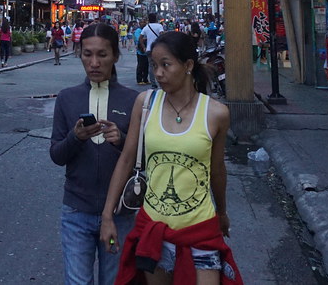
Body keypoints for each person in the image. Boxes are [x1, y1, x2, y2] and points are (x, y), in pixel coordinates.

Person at [99, 31, 238, 284]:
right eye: (154, 65)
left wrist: (223, 213)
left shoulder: (216, 113)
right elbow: (126, 160)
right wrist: (107, 215)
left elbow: (217, 170)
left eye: (166, 65)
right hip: (154, 229)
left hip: (200, 230)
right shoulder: (146, 103)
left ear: (187, 66)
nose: (158, 73)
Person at [51, 23, 139, 285]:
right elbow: (57, 155)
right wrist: (75, 138)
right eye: (87, 54)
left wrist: (121, 141)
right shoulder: (67, 99)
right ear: (79, 54)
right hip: (76, 212)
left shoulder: (133, 100)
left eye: (102, 54)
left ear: (115, 55)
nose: (94, 62)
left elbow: (144, 160)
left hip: (119, 216)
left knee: (113, 281)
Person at [141, 13, 164, 87]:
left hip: (149, 49)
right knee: (161, 65)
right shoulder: (159, 26)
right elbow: (162, 35)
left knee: (151, 66)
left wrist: (143, 47)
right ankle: (162, 81)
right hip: (158, 49)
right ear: (156, 19)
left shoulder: (146, 27)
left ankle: (153, 83)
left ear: (148, 19)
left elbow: (140, 38)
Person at [134, 19, 148, 86]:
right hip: (140, 51)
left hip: (146, 51)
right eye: (142, 22)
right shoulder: (138, 31)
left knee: (146, 66)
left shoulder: (146, 30)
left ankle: (145, 79)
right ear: (139, 24)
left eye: (144, 22)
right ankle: (139, 80)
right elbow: (138, 39)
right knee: (140, 66)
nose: (143, 23)